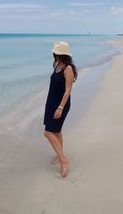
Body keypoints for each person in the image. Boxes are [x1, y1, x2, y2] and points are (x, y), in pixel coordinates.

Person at [44, 41, 77, 178]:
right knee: (56, 131)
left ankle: (64, 161)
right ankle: (60, 155)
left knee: (48, 132)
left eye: (56, 52)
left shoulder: (68, 68)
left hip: (60, 104)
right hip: (51, 102)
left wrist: (60, 107)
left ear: (60, 54)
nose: (54, 54)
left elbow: (68, 90)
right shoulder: (57, 65)